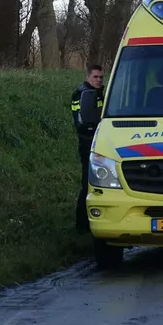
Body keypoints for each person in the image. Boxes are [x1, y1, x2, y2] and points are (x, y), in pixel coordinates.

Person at [71, 64, 105, 233]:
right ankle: (82, 227)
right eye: (95, 77)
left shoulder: (98, 93)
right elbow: (83, 122)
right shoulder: (82, 94)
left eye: (101, 77)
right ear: (88, 77)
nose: (98, 80)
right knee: (87, 184)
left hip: (99, 143)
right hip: (88, 143)